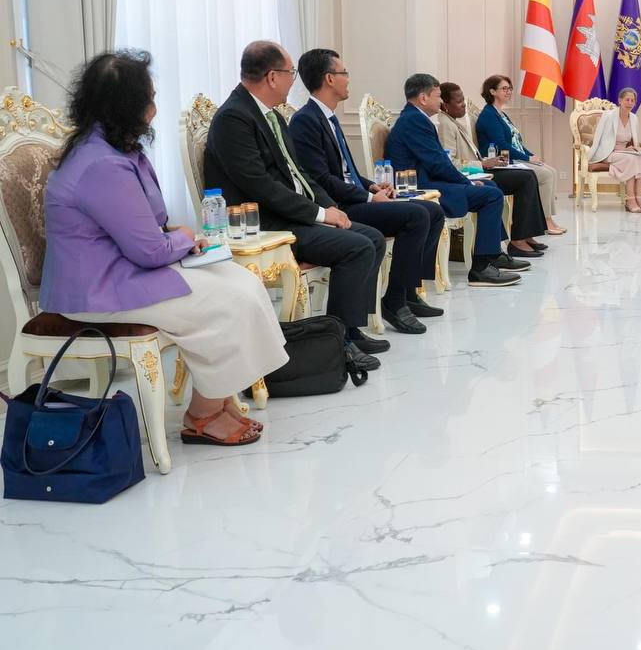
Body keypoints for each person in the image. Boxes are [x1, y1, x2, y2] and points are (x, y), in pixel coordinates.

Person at [42, 50, 287, 447]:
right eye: (150, 99)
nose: (154, 109)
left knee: (240, 280)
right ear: (126, 106)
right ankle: (203, 415)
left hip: (121, 270)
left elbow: (141, 225)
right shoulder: (101, 163)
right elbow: (149, 251)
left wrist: (173, 234)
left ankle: (219, 397)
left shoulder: (111, 148)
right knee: (227, 302)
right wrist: (185, 237)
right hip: (97, 290)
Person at [204, 41, 386, 371]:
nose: (294, 80)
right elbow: (261, 186)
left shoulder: (272, 116)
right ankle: (338, 343)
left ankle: (350, 329)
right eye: (290, 73)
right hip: (264, 225)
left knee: (371, 237)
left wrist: (331, 207)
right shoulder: (234, 118)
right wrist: (320, 214)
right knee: (357, 247)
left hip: (290, 215)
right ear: (272, 77)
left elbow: (299, 173)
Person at [289, 48, 447, 333]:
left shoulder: (329, 117)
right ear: (329, 78)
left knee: (433, 211)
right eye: (344, 72)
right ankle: (394, 301)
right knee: (417, 216)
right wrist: (370, 197)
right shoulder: (306, 120)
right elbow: (320, 178)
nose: (348, 78)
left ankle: (409, 292)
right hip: (339, 206)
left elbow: (346, 170)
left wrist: (371, 185)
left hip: (353, 197)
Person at [386, 73, 526, 287]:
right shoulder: (415, 120)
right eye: (437, 96)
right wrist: (466, 183)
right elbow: (438, 164)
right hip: (419, 186)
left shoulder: (415, 117)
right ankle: (481, 268)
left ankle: (492, 253)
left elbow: (439, 161)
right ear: (423, 98)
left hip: (427, 179)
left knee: (489, 186)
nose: (441, 101)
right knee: (491, 195)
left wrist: (465, 181)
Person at [437, 81, 548, 256]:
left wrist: (489, 161)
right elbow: (450, 163)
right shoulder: (445, 125)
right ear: (445, 105)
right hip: (472, 174)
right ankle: (517, 240)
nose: (464, 105)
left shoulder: (452, 121)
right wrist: (482, 164)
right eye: (459, 102)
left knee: (527, 175)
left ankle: (525, 235)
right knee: (525, 178)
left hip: (480, 169)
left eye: (463, 100)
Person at [474, 74, 566, 235]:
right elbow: (502, 145)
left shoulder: (502, 114)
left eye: (510, 88)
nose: (509, 92)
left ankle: (547, 218)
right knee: (545, 175)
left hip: (515, 157)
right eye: (504, 88)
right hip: (502, 161)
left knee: (552, 171)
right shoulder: (488, 115)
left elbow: (517, 143)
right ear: (492, 91)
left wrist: (532, 155)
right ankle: (546, 221)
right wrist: (527, 158)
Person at [584, 87, 641, 213]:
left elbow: (634, 139)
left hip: (624, 152)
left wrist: (632, 148)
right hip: (609, 152)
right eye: (627, 100)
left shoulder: (634, 118)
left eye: (632, 100)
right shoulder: (608, 116)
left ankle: (638, 197)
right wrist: (591, 155)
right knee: (630, 159)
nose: (630, 103)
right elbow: (598, 136)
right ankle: (630, 199)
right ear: (620, 100)